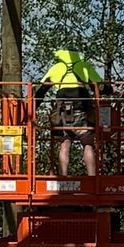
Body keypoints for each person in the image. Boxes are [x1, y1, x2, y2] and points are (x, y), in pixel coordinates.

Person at [43, 45, 100, 178]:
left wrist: (32, 107)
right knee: (87, 143)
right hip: (82, 112)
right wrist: (114, 90)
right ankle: (92, 177)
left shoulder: (57, 67)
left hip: (63, 112)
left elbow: (41, 90)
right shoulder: (84, 66)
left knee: (65, 143)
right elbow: (101, 86)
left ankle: (63, 177)